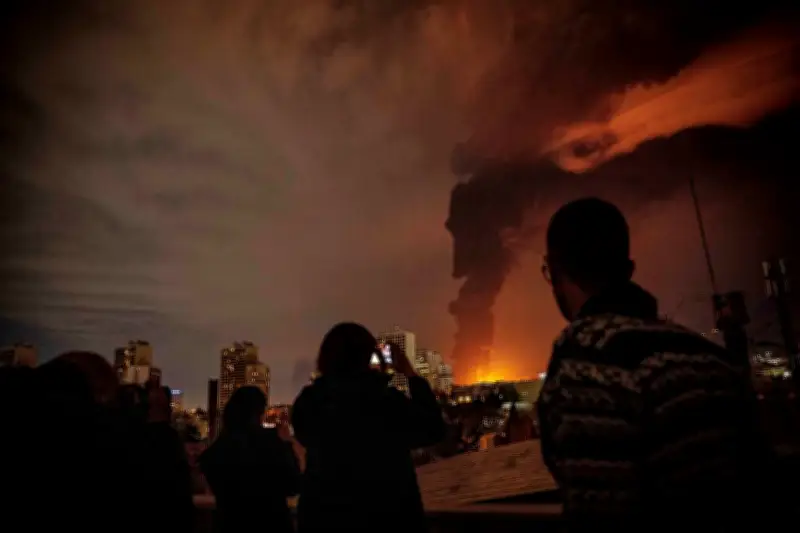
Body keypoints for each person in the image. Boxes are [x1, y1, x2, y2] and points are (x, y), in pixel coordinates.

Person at [536, 198, 764, 532]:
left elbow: (598, 511)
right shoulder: (709, 356)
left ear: (556, 271)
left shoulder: (585, 363)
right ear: (628, 270)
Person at [292, 323, 445, 533]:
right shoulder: (386, 402)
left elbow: (304, 436)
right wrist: (409, 374)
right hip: (387, 518)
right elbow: (433, 429)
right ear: (369, 355)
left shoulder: (310, 403)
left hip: (323, 520)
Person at [200, 386, 299, 533]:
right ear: (258, 412)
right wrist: (288, 445)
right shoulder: (271, 443)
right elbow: (293, 485)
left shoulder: (216, 451)